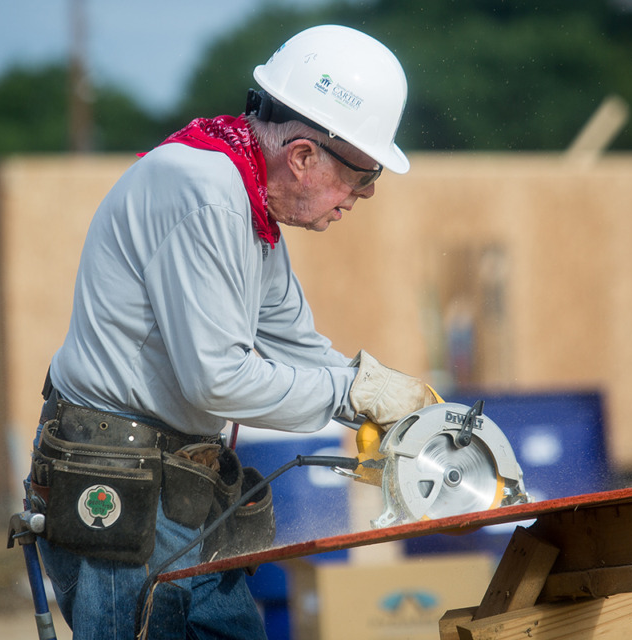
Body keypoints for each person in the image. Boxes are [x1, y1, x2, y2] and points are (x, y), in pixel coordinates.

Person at [27, 25, 435, 639]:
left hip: (174, 479)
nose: (367, 191)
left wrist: (394, 408)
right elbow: (216, 381)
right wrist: (347, 395)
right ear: (301, 156)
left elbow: (297, 346)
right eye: (363, 171)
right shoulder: (208, 194)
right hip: (119, 476)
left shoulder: (248, 205)